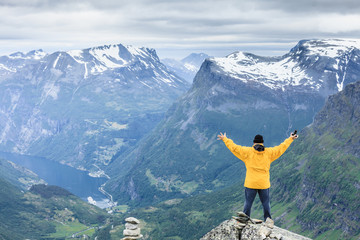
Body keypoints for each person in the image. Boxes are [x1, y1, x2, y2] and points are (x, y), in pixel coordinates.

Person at [217, 132, 298, 227]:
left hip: (251, 183)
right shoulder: (269, 153)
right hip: (263, 183)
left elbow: (234, 148)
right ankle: (268, 220)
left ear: (254, 143)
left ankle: (244, 219)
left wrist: (225, 139)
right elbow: (281, 148)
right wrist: (290, 138)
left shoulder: (247, 152)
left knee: (248, 202)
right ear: (262, 143)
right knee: (266, 203)